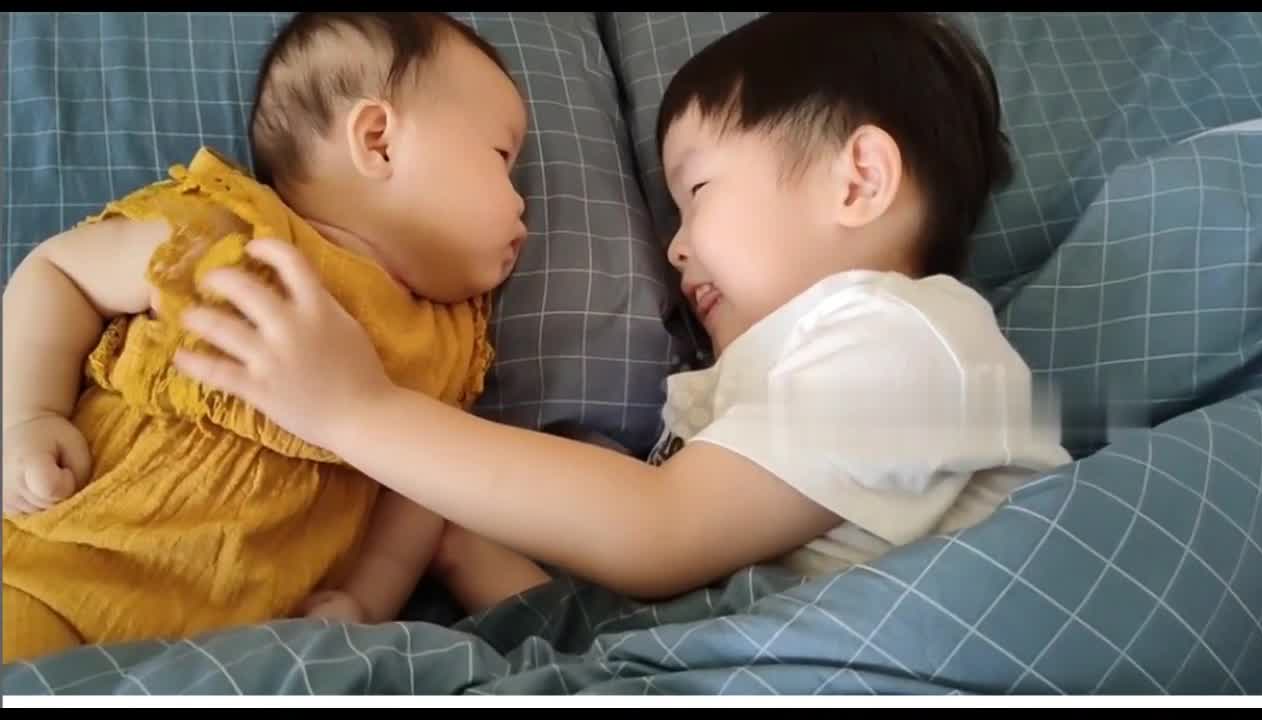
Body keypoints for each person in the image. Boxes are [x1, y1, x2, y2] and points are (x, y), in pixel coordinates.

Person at [173, 12, 1073, 603]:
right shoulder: (776, 375)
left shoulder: (915, 340)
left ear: (859, 180)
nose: (673, 247)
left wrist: (354, 410)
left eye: (699, 191)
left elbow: (660, 531)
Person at [1, 12, 550, 664]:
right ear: (378, 141)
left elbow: (422, 495)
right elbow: (59, 271)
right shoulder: (231, 230)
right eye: (501, 158)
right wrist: (27, 416)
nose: (523, 203)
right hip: (62, 573)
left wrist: (366, 600)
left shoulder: (448, 342)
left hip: (236, 656)